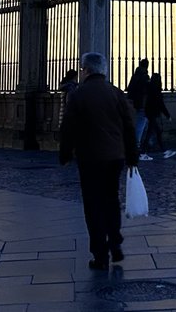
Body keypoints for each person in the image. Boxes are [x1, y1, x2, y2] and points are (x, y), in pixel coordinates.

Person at [59, 52, 139, 271]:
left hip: (90, 158)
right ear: (103, 70)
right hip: (115, 157)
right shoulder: (115, 93)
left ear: (86, 70)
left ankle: (100, 254)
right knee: (111, 200)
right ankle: (115, 242)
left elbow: (68, 128)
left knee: (93, 205)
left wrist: (65, 154)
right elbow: (129, 126)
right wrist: (133, 156)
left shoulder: (79, 95)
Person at [139, 72, 176, 159]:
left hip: (149, 112)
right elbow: (161, 104)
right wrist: (167, 115)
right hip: (153, 113)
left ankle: (162, 151)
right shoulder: (156, 90)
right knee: (151, 132)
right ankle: (144, 152)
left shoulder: (149, 87)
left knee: (154, 132)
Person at [125, 58, 150, 153]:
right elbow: (146, 91)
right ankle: (137, 144)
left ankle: (140, 143)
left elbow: (129, 88)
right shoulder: (145, 76)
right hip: (142, 103)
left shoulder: (135, 76)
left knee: (138, 123)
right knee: (141, 124)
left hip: (132, 103)